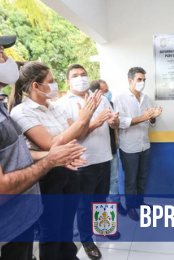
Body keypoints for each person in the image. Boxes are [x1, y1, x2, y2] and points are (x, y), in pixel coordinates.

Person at [0, 23, 85, 260]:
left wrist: (52, 156)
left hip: (19, 225)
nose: (7, 60)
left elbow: (15, 156)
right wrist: (49, 161)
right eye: (0, 53)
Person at [10, 61, 98, 260]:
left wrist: (87, 116)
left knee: (67, 227)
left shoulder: (55, 107)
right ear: (36, 86)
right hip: (46, 176)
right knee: (51, 232)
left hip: (69, 170)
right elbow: (51, 144)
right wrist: (83, 120)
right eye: (51, 81)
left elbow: (77, 134)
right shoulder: (22, 112)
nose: (55, 84)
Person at [57, 64, 120, 260]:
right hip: (82, 162)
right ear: (68, 81)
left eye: (83, 74)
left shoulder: (100, 99)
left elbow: (114, 124)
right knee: (85, 205)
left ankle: (104, 228)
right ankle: (87, 240)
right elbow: (71, 137)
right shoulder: (63, 104)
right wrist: (94, 122)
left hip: (104, 157)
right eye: (75, 75)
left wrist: (113, 122)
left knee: (102, 199)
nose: (80, 78)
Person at [114, 67, 163, 221]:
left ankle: (139, 202)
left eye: (144, 80)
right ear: (130, 81)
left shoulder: (146, 98)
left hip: (145, 145)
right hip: (129, 147)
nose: (142, 82)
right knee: (131, 180)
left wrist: (153, 117)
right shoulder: (120, 98)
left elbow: (150, 121)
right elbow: (120, 122)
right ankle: (131, 207)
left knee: (142, 178)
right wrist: (143, 117)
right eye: (139, 79)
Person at [90, 79, 127, 216]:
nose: (108, 94)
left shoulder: (108, 104)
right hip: (92, 156)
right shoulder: (83, 107)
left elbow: (114, 125)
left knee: (113, 180)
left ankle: (115, 206)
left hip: (109, 150)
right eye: (105, 91)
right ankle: (97, 228)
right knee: (97, 192)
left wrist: (114, 126)